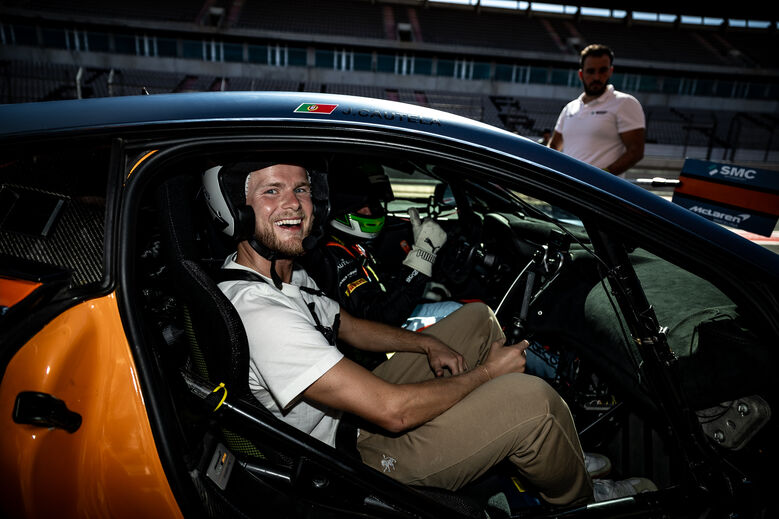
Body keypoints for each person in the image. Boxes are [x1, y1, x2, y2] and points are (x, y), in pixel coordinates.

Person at [201, 159, 596, 506]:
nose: (293, 203)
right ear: (236, 207)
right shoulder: (260, 311)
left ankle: (547, 449)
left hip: (348, 421)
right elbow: (393, 412)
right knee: (534, 402)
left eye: (301, 188)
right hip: (352, 462)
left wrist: (427, 343)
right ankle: (577, 496)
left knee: (476, 321)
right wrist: (488, 374)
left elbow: (350, 326)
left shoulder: (284, 275)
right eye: (272, 190)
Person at [300, 160, 460, 337]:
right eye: (362, 207)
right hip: (375, 339)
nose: (370, 212)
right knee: (459, 312)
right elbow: (380, 317)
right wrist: (422, 258)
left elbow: (379, 290)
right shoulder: (332, 256)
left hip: (383, 328)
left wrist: (419, 286)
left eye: (372, 204)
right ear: (341, 208)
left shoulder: (354, 246)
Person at [548, 44, 645, 177]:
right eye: (591, 71)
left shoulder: (625, 103)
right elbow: (553, 148)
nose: (597, 77)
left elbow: (636, 151)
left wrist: (602, 177)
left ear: (610, 71)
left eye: (603, 71)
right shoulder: (570, 108)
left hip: (599, 194)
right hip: (567, 191)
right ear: (581, 74)